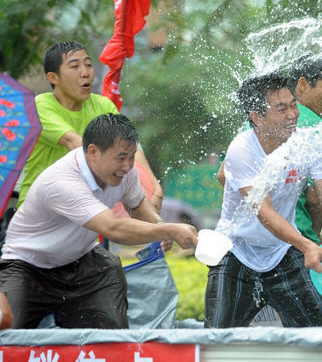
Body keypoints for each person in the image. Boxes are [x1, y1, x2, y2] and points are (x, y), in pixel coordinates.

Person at [204, 73, 322, 328]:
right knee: (212, 343)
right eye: (281, 109)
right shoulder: (242, 150)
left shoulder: (309, 141)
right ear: (257, 118)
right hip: (236, 251)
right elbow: (265, 213)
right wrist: (307, 245)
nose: (293, 114)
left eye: (293, 104)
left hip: (283, 251)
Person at [0, 114, 198, 329]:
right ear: (93, 151)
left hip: (82, 261)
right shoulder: (62, 182)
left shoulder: (125, 172)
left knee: (108, 333)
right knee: (8, 334)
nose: (128, 166)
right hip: (28, 267)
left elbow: (136, 203)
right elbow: (113, 228)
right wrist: (169, 230)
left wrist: (159, 226)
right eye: (121, 158)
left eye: (132, 157)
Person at [16, 41, 163, 211]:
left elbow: (131, 149)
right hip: (42, 211)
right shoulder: (39, 106)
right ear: (53, 78)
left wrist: (153, 186)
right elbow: (75, 144)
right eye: (74, 67)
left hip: (84, 210)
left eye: (88, 65)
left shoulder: (103, 106)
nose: (85, 73)